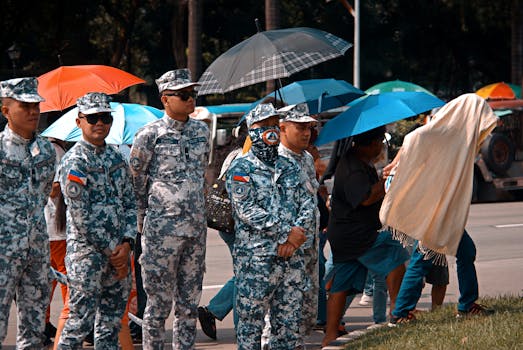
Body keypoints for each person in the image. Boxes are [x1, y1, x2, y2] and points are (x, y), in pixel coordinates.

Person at [380, 94, 498, 324]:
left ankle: (466, 305)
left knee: (464, 252)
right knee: (422, 258)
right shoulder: (440, 132)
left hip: (440, 210)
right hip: (431, 209)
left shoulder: (459, 138)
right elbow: (413, 138)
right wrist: (397, 162)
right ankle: (400, 313)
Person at [129, 68, 210, 349]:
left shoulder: (201, 130)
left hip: (195, 232)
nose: (191, 100)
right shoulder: (149, 134)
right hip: (161, 233)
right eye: (184, 95)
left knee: (189, 304)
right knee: (157, 306)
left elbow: (202, 177)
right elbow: (135, 184)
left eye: (193, 94)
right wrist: (142, 225)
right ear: (165, 99)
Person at [56, 92, 136, 349]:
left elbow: (129, 204)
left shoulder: (116, 158)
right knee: (78, 324)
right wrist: (112, 251)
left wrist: (126, 243)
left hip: (119, 255)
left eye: (105, 118)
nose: (100, 123)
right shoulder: (75, 161)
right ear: (79, 122)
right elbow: (81, 216)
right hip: (87, 257)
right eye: (93, 118)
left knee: (111, 325)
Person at [225, 103, 308, 350]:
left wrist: (295, 238)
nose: (270, 131)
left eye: (274, 125)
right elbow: (246, 210)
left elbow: (306, 203)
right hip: (256, 260)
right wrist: (285, 234)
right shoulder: (241, 168)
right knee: (251, 326)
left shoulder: (290, 166)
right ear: (252, 130)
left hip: (291, 259)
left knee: (288, 325)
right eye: (264, 126)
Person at [321, 126, 409, 347]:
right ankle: (398, 313)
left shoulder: (359, 162)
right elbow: (366, 198)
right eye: (380, 142)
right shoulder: (353, 168)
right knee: (396, 257)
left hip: (345, 233)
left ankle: (330, 335)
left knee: (341, 283)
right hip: (355, 233)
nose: (381, 147)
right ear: (370, 143)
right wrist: (385, 182)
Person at [0, 77, 56, 348]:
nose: (34, 112)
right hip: (3, 251)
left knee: (34, 329)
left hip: (36, 252)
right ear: (6, 111)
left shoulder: (46, 150)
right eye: (25, 106)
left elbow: (43, 196)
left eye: (36, 105)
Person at [198, 123, 249, 340]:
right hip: (237, 224)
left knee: (244, 272)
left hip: (227, 224)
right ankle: (241, 327)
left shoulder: (233, 154)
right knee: (246, 274)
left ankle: (214, 310)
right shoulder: (245, 158)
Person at [278, 103, 320, 346]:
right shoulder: (274, 160)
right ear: (282, 127)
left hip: (309, 248)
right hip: (288, 247)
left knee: (305, 312)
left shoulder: (305, 158)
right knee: (282, 313)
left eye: (309, 127)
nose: (307, 133)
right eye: (300, 127)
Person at [44, 137, 67, 346]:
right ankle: (68, 320)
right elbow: (55, 189)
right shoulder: (57, 151)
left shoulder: (38, 148)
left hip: (46, 228)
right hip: (57, 229)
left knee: (47, 278)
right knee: (67, 278)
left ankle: (44, 322)